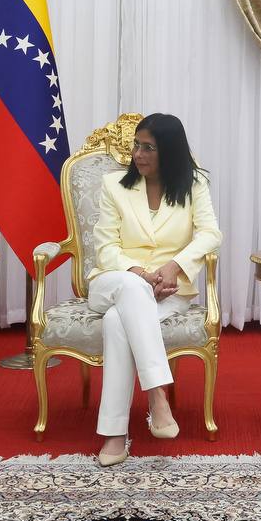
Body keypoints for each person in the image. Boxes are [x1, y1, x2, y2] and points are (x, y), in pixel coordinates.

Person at [88, 113, 222, 467]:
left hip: (168, 289)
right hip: (113, 280)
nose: (138, 154)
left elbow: (210, 234)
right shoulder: (113, 185)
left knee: (119, 323)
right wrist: (140, 273)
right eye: (137, 145)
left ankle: (115, 434)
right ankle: (156, 393)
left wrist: (173, 267)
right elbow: (104, 247)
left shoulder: (194, 185)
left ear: (170, 151)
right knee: (130, 289)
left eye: (148, 147)